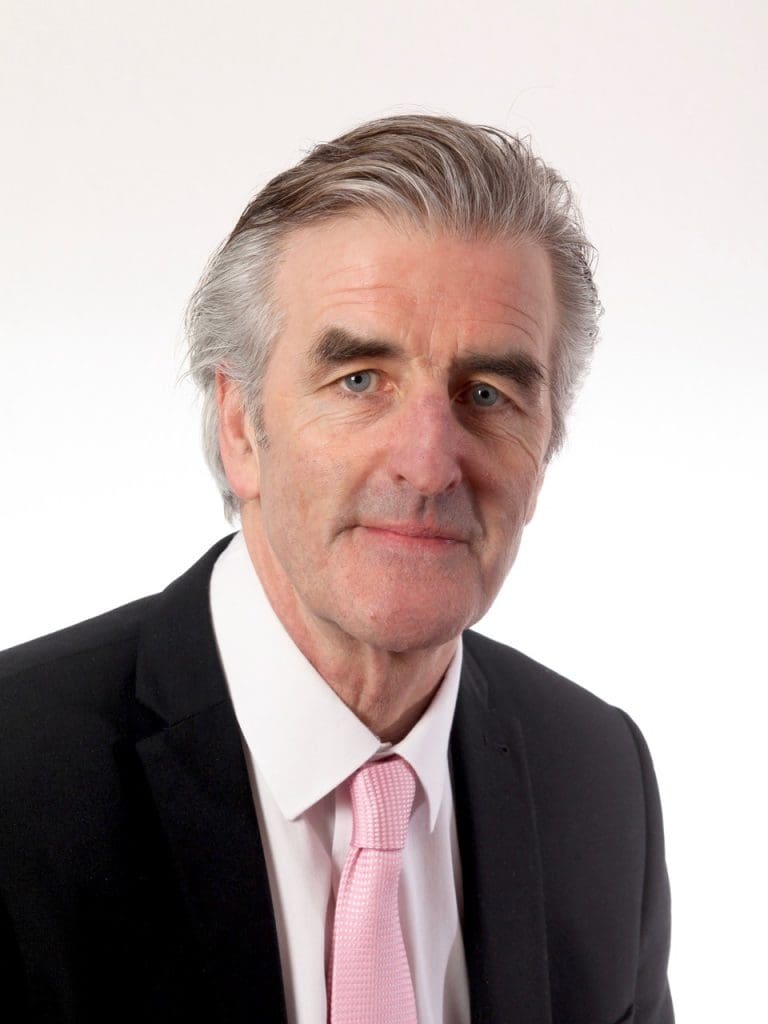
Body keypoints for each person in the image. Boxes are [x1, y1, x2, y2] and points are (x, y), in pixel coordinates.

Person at [0, 114, 673, 1024]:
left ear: (547, 441)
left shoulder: (596, 777)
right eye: (360, 379)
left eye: (488, 394)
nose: (429, 464)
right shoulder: (18, 773)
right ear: (241, 426)